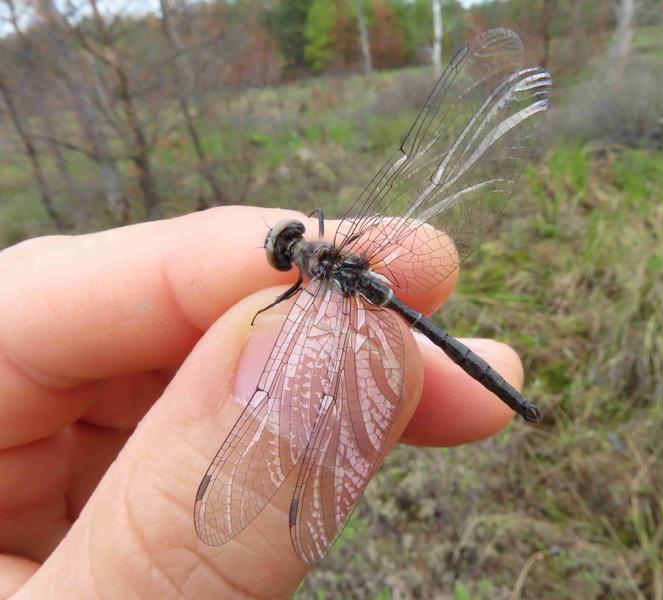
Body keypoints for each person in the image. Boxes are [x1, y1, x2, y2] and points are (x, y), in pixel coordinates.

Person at [0, 206, 523, 598]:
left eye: (287, 243)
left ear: (291, 255)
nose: (288, 245)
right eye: (287, 243)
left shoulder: (310, 286)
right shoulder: (333, 261)